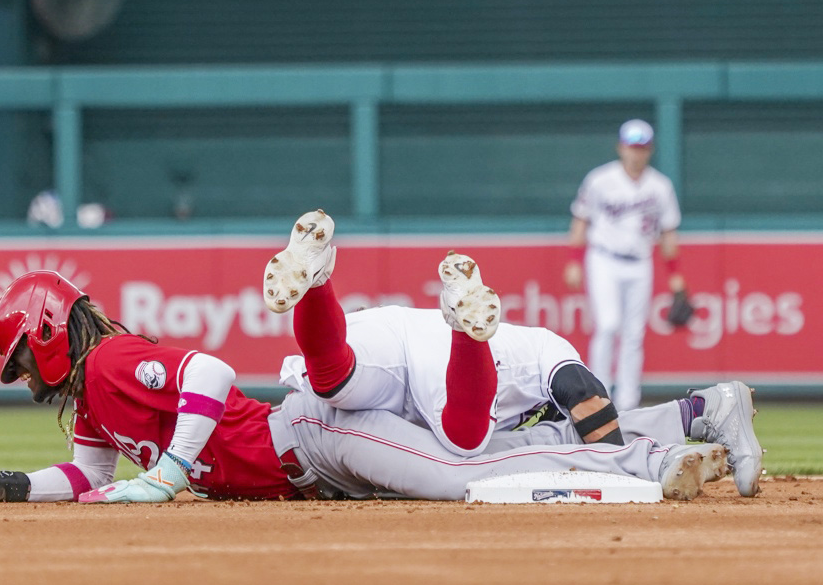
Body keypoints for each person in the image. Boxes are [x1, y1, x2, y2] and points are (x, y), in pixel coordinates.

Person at [0, 270, 729, 505]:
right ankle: (682, 418)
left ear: (44, 334)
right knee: (479, 455)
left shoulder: (106, 364)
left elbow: (209, 373)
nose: (22, 378)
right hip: (318, 465)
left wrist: (167, 472)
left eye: (20, 360)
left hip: (312, 437)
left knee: (464, 473)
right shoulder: (94, 398)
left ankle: (649, 461)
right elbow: (86, 478)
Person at [263, 209, 761, 497]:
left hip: (381, 334)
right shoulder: (544, 346)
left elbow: (570, 426)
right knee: (466, 444)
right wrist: (617, 467)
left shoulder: (536, 352)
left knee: (333, 380)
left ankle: (318, 281)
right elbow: (586, 397)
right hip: (439, 355)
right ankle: (464, 330)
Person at [563, 119, 686, 412]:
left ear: (650, 150)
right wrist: (574, 261)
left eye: (641, 147)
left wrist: (675, 274)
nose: (636, 153)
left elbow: (667, 232)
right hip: (604, 258)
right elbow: (581, 220)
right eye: (632, 146)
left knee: (634, 334)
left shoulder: (660, 186)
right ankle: (598, 396)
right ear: (621, 147)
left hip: (640, 262)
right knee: (608, 325)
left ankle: (629, 402)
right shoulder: (600, 179)